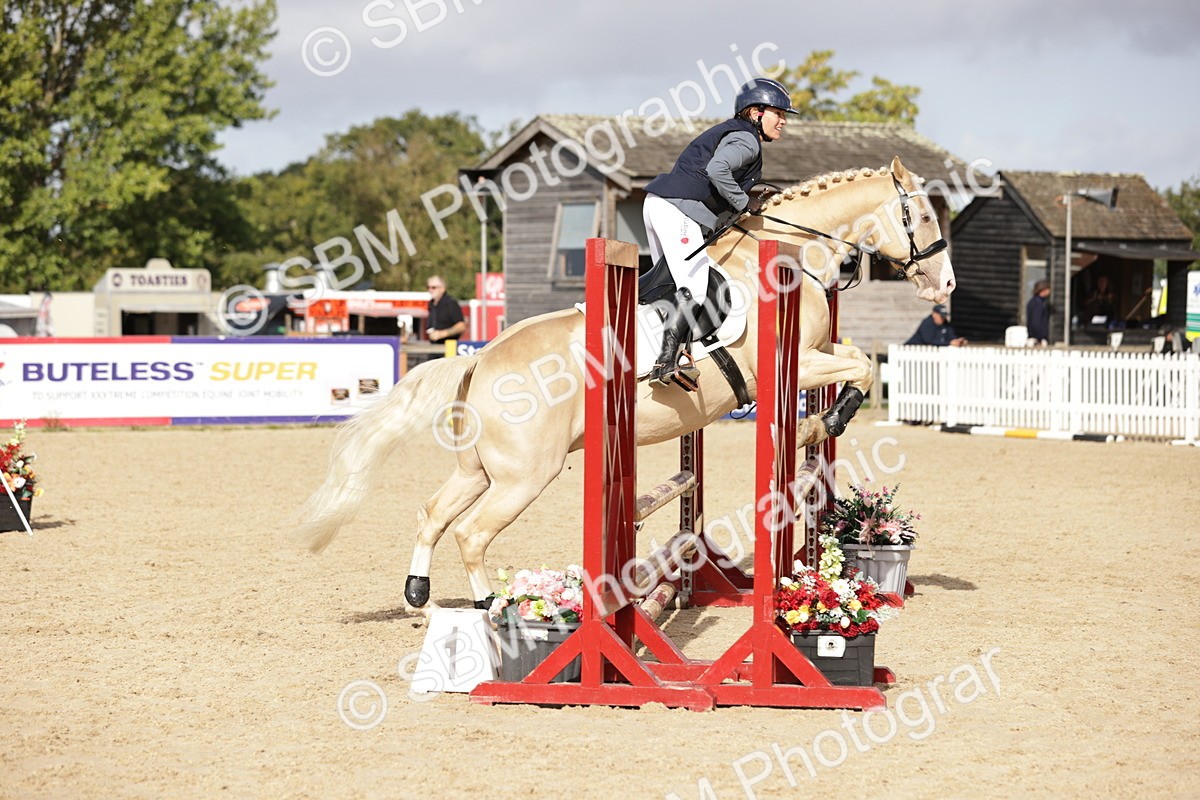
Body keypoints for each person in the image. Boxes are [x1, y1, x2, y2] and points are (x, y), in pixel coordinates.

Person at [641, 76, 798, 388]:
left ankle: (667, 353)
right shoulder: (747, 139)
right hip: (677, 209)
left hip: (660, 204)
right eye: (778, 113)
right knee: (695, 286)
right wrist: (744, 203)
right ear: (756, 113)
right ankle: (667, 363)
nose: (782, 121)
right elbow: (717, 170)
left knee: (670, 284)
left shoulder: (737, 133)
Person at [425, 275, 465, 346]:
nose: (430, 290)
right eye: (428, 287)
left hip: (448, 349)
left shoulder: (451, 304)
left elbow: (461, 326)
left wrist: (442, 334)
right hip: (434, 348)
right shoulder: (431, 304)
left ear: (442, 289)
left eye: (433, 287)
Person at [1026, 279, 1052, 346]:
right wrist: (1039, 338)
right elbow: (1036, 321)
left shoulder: (1033, 302)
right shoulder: (1038, 303)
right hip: (1037, 340)